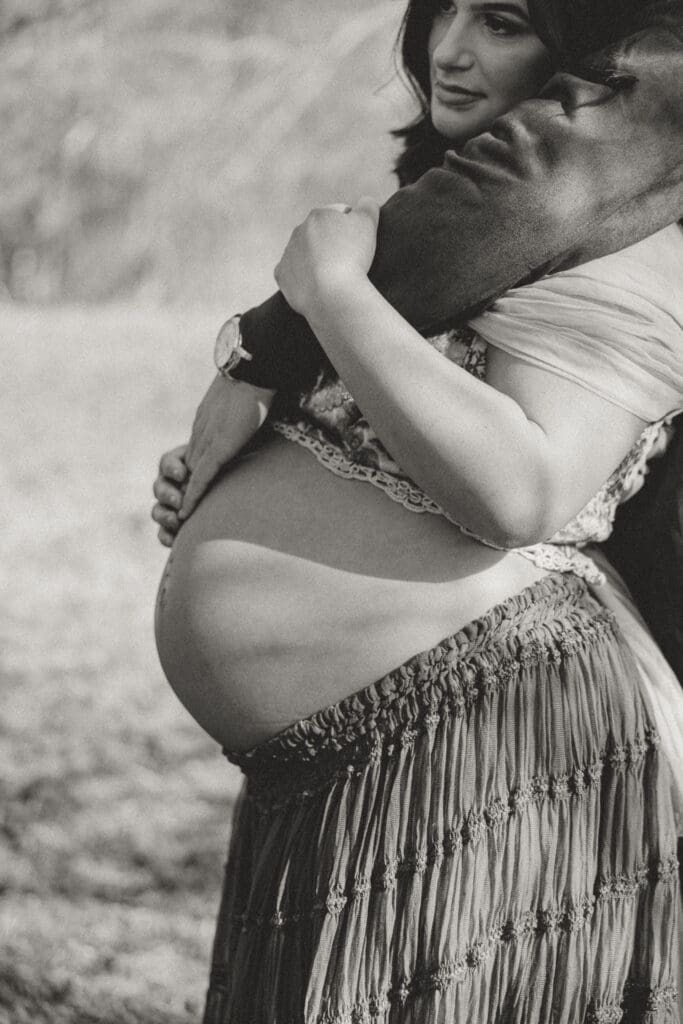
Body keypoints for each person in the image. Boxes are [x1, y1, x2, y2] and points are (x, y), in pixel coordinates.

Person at [152, 0, 683, 1020]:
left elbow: (519, 485)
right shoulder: (466, 234)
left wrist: (329, 299)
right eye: (441, 13)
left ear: (587, 56)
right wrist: (233, 470)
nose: (448, 50)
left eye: (501, 22)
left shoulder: (636, 248)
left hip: (486, 754)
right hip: (365, 769)